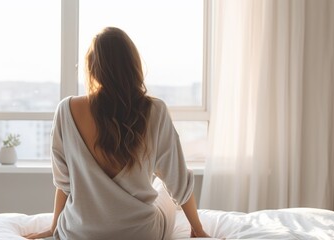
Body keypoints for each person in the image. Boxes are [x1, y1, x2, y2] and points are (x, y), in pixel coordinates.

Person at [25, 27, 209, 240]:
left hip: (79, 233)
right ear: (133, 66)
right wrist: (199, 230)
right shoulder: (154, 110)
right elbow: (179, 184)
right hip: (140, 233)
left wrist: (54, 227)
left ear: (92, 69)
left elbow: (64, 184)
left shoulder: (66, 110)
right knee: (161, 186)